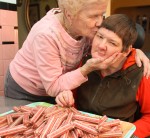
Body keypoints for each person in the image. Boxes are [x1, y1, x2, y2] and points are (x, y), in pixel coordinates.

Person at [4, 0, 150, 103]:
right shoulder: (46, 34)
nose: (100, 22)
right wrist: (87, 68)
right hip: (25, 89)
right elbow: (54, 87)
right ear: (69, 15)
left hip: (58, 88)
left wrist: (133, 51)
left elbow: (111, 42)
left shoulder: (88, 27)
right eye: (93, 16)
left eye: (102, 14)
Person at [55, 14, 150, 138]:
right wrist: (66, 98)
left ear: (126, 51)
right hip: (79, 131)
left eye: (112, 43)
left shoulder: (141, 72)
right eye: (99, 37)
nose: (101, 46)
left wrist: (124, 134)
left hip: (116, 137)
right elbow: (72, 101)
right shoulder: (85, 62)